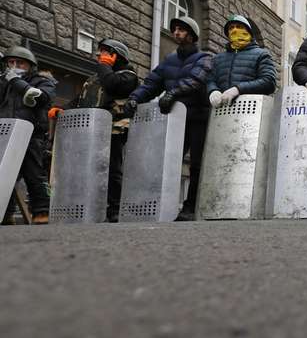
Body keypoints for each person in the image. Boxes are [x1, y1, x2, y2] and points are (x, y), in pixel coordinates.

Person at [125, 16, 213, 221]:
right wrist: (134, 99)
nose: (176, 33)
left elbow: (197, 79)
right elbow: (151, 83)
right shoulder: (169, 60)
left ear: (191, 35)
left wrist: (174, 93)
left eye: (181, 30)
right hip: (175, 120)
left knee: (197, 165)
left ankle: (190, 207)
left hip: (198, 118)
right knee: (168, 162)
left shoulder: (205, 58)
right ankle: (163, 203)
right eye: (174, 30)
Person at [49, 39, 138, 222]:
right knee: (89, 168)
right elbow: (82, 99)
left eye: (105, 52)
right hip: (90, 130)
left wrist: (105, 66)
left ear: (116, 55)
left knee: (112, 169)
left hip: (114, 129)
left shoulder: (128, 76)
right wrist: (64, 109)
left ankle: (115, 209)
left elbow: (112, 84)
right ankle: (87, 204)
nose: (100, 56)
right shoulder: (96, 77)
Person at [0, 46, 56, 225]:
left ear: (30, 66)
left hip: (31, 135)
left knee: (34, 174)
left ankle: (41, 211)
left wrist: (16, 80)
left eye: (20, 62)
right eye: (11, 62)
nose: (14, 65)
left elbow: (42, 98)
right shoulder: (5, 83)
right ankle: (5, 214)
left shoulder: (41, 81)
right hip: (7, 134)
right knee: (4, 174)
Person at [207, 15, 277, 108]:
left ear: (248, 32)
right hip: (220, 113)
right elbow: (210, 80)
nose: (235, 30)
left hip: (250, 111)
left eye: (239, 27)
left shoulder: (261, 55)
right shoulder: (218, 58)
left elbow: (269, 82)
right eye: (231, 28)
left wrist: (238, 89)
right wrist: (213, 91)